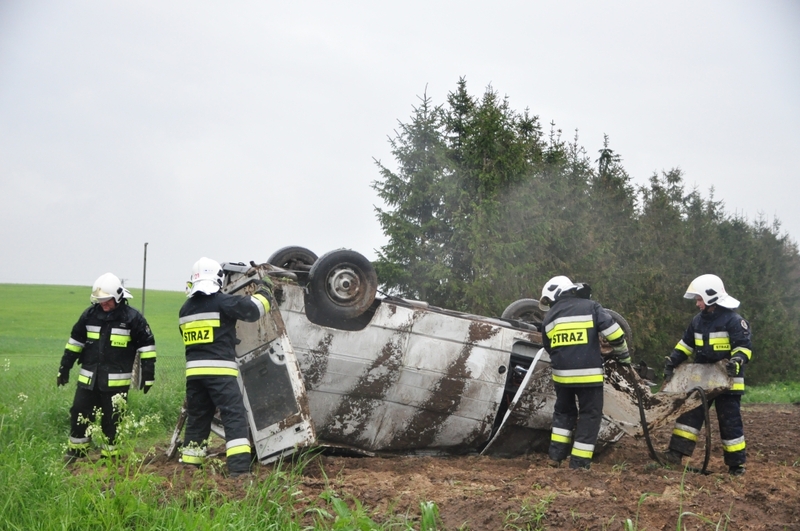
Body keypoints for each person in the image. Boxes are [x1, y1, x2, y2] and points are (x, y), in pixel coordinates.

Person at [178, 257, 274, 477]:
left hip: (194, 374)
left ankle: (191, 465)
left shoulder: (185, 309)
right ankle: (239, 470)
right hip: (220, 372)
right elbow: (254, 310)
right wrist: (265, 288)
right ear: (217, 279)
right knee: (234, 416)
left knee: (198, 417)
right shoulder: (222, 302)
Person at [57, 272, 157, 462]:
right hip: (88, 380)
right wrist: (64, 367)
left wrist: (148, 374)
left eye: (107, 300)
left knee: (112, 420)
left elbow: (147, 347)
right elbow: (74, 344)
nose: (104, 304)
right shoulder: (89, 315)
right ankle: (76, 453)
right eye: (100, 300)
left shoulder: (133, 318)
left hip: (116, 384)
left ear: (118, 296)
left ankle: (111, 458)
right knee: (79, 413)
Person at [661, 274, 751, 476]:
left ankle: (736, 466)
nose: (697, 304)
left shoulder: (735, 321)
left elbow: (744, 348)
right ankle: (675, 454)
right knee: (689, 416)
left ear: (711, 298)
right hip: (702, 381)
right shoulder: (697, 322)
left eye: (699, 299)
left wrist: (737, 361)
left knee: (730, 423)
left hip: (728, 383)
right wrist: (672, 362)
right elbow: (685, 345)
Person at [539, 275, 630, 470]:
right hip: (589, 376)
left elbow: (548, 346)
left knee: (563, 413)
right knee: (589, 416)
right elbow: (614, 333)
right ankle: (578, 464)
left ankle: (555, 457)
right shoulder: (591, 306)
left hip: (562, 377)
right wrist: (624, 357)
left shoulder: (549, 317)